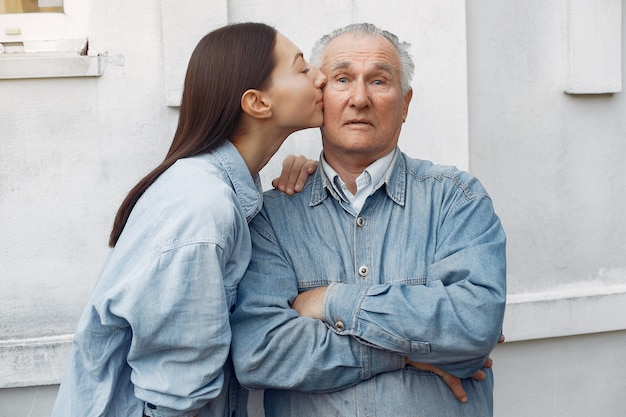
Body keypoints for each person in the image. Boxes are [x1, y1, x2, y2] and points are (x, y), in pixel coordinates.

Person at [51, 22, 326, 417]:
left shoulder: (218, 189)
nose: (320, 77)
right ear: (258, 103)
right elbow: (177, 396)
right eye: (302, 69)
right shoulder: (203, 208)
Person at [230, 22, 506, 417]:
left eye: (378, 81)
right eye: (342, 79)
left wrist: (328, 300)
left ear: (405, 103)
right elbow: (261, 352)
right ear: (319, 96)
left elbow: (473, 323)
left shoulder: (457, 199)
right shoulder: (272, 215)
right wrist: (406, 355)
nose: (359, 98)